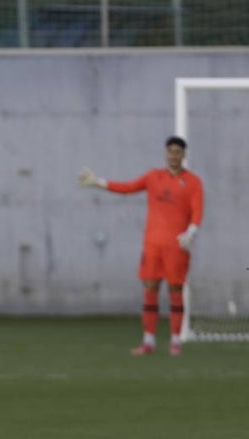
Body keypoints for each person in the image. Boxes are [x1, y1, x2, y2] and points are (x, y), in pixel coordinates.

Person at [78, 135, 205, 356]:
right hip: (152, 245)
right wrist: (99, 182)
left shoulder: (193, 182)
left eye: (178, 152)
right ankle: (148, 341)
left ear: (184, 155)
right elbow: (127, 187)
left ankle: (175, 341)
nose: (173, 156)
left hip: (176, 247)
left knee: (176, 291)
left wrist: (191, 231)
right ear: (165, 153)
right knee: (149, 290)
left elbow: (197, 210)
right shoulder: (153, 177)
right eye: (170, 151)